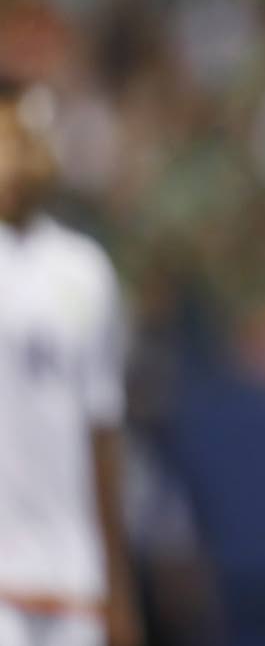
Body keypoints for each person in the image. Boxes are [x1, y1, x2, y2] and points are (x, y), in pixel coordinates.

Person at [0, 80, 140, 646]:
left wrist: (118, 586)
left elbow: (101, 433)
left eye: (32, 139)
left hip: (71, 572)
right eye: (10, 140)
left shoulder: (84, 270)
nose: (22, 158)